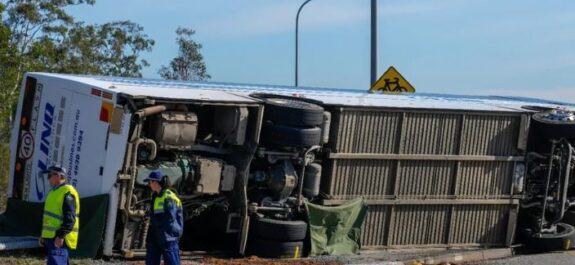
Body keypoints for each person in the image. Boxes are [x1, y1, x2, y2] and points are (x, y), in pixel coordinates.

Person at [38, 165, 80, 265]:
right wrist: (43, 235)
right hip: (53, 239)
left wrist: (61, 235)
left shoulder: (67, 192)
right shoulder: (54, 192)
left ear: (59, 176)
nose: (48, 179)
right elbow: (50, 218)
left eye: (49, 175)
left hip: (60, 240)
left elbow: (70, 219)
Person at [144, 170, 183, 265]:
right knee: (151, 261)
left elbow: (169, 219)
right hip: (157, 235)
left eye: (150, 182)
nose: (149, 184)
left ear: (156, 182)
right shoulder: (156, 196)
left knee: (172, 262)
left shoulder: (169, 197)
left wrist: (154, 221)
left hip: (168, 236)